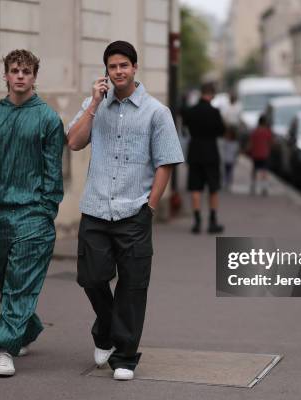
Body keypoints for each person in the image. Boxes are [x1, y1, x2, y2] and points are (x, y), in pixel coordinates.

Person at [67, 41, 184, 381]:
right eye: (112, 66)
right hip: (96, 208)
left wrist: (150, 207)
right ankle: (105, 329)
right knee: (91, 277)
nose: (118, 71)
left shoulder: (156, 112)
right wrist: (93, 103)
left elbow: (166, 163)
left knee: (133, 286)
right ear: (106, 70)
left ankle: (126, 356)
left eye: (124, 65)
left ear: (135, 68)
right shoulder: (95, 106)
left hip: (135, 210)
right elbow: (73, 142)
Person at [0, 49, 64, 377]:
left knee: (19, 281)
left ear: (34, 77)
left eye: (27, 71)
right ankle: (26, 327)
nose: (20, 76)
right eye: (15, 70)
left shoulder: (47, 118)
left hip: (33, 213)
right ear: (5, 75)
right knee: (6, 277)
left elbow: (53, 170)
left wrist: (47, 209)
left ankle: (4, 347)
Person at [182, 83, 225, 234]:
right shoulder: (215, 112)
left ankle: (197, 222)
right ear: (212, 94)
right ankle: (212, 222)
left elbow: (185, 127)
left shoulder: (191, 111)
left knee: (195, 188)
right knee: (213, 188)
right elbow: (221, 131)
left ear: (201, 93)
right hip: (211, 153)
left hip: (194, 153)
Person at [248, 114, 273, 196]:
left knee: (254, 170)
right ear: (265, 122)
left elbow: (251, 142)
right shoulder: (267, 131)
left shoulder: (255, 131)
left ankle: (253, 185)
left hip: (255, 153)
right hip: (264, 154)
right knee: (264, 171)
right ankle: (264, 187)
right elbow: (270, 142)